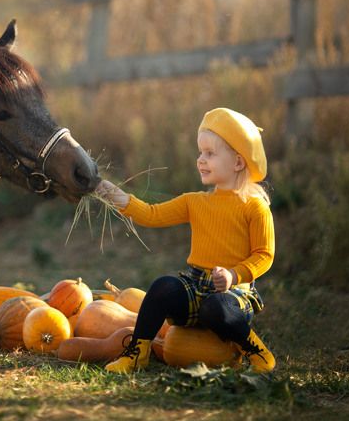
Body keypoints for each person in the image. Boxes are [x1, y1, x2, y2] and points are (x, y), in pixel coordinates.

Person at [95, 107, 276, 373]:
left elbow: (264, 255)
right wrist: (116, 196)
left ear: (238, 162)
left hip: (233, 293)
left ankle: (256, 351)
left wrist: (233, 276)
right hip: (195, 287)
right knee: (162, 287)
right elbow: (152, 214)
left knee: (217, 307)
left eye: (210, 154)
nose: (200, 160)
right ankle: (137, 353)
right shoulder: (195, 202)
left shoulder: (255, 207)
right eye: (200, 152)